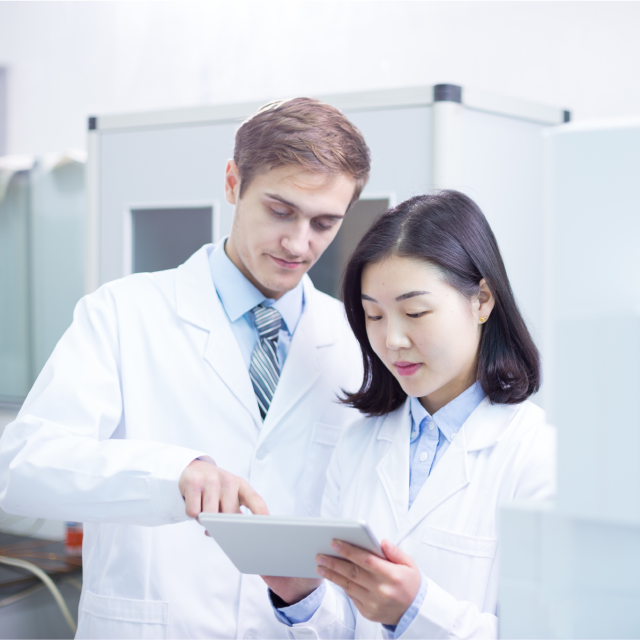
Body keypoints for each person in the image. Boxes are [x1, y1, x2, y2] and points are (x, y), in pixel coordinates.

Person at [0, 98, 371, 638]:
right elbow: (21, 471)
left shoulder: (356, 345)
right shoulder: (123, 313)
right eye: (280, 210)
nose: (299, 243)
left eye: (324, 223)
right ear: (232, 183)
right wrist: (171, 474)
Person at [263, 191, 556, 639]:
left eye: (414, 312)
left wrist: (416, 611)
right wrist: (302, 599)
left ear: (480, 300)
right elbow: (347, 625)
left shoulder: (538, 454)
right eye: (374, 316)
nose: (392, 340)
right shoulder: (358, 444)